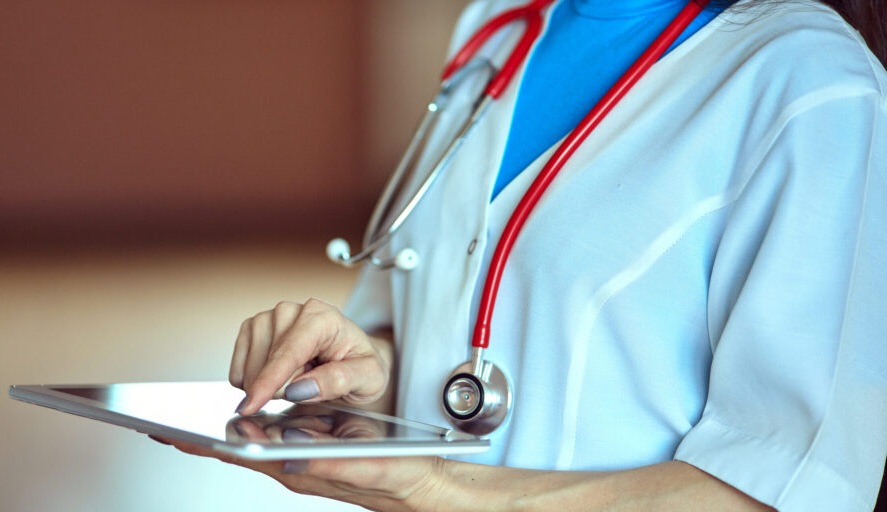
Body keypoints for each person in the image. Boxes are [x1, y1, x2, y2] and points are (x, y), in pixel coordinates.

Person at [156, 0, 887, 509]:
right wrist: (356, 374)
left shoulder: (811, 83)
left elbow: (784, 487)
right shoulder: (498, 28)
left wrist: (437, 492)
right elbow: (427, 347)